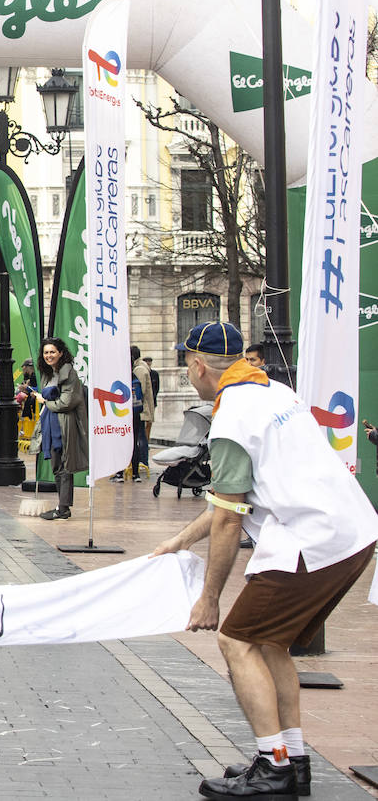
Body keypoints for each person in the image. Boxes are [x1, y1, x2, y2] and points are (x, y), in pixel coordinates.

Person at [152, 321, 378, 800]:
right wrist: (181, 540)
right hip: (350, 530)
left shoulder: (232, 418)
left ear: (196, 365)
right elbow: (229, 500)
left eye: (184, 362)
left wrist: (209, 599)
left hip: (311, 537)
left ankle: (272, 767)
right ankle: (292, 760)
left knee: (237, 641)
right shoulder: (275, 392)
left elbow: (231, 519)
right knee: (270, 644)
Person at [35, 338, 89, 521]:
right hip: (51, 423)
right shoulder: (47, 373)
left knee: (65, 465)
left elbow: (67, 402)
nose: (49, 355)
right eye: (46, 352)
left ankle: (64, 508)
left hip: (64, 424)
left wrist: (45, 402)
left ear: (60, 353)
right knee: (56, 465)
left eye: (52, 352)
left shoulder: (69, 373)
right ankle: (62, 506)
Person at [115, 346, 156, 482]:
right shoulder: (139, 370)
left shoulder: (132, 371)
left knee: (126, 441)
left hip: (126, 411)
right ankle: (135, 473)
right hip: (136, 410)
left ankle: (123, 472)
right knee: (135, 441)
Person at [142, 356, 161, 444]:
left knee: (149, 423)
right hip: (145, 402)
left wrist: (152, 398)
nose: (148, 363)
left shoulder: (154, 374)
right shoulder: (143, 373)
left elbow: (156, 388)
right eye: (146, 361)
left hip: (152, 401)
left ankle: (147, 440)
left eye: (150, 361)